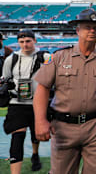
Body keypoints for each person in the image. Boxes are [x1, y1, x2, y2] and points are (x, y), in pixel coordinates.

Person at [33, 8, 96, 174]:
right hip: (64, 128)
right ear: (77, 30)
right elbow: (42, 88)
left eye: (95, 28)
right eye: (87, 27)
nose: (92, 31)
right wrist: (40, 121)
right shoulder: (59, 57)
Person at [2, 29, 49, 174]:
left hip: (38, 104)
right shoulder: (12, 59)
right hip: (17, 103)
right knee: (17, 138)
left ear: (35, 40)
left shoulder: (45, 57)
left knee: (37, 135)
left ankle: (35, 154)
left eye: (28, 41)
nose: (25, 44)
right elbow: (6, 78)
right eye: (21, 42)